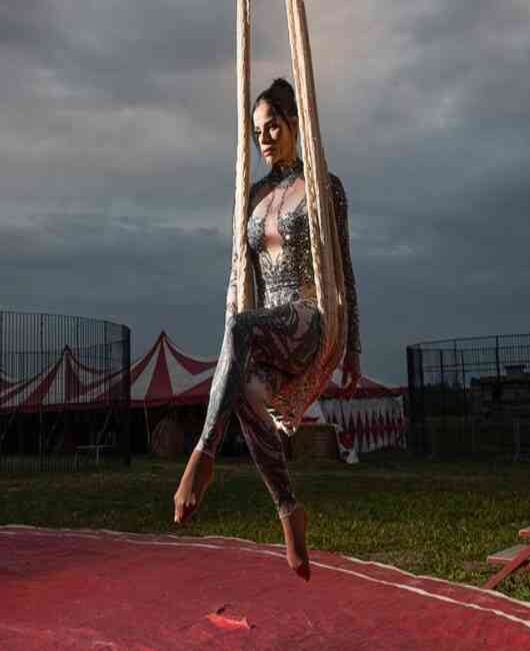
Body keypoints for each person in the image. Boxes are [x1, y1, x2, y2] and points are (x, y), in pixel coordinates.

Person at [172, 78, 362, 582]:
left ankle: (202, 455)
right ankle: (288, 510)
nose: (265, 138)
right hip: (263, 323)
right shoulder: (254, 194)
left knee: (242, 328)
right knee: (248, 392)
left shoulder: (325, 186)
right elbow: (243, 276)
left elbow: (344, 269)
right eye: (258, 132)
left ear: (297, 124)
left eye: (273, 126)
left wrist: (352, 348)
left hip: (305, 320)